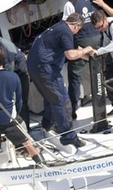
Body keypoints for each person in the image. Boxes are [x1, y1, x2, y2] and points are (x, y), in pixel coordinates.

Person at [26, 13, 98, 152]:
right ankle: (68, 136)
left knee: (50, 98)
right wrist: (87, 49)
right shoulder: (66, 32)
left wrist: (84, 54)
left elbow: (71, 50)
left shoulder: (58, 27)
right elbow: (71, 55)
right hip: (46, 69)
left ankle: (47, 124)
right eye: (79, 29)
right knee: (62, 102)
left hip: (35, 67)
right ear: (76, 26)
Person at [0, 46, 44, 168]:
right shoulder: (14, 77)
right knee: (27, 143)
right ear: (4, 60)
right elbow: (19, 101)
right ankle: (40, 162)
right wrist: (16, 116)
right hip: (9, 120)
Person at [63, 0, 101, 118]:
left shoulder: (70, 4)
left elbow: (67, 28)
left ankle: (72, 111)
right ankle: (109, 101)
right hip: (97, 39)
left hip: (81, 43)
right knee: (99, 71)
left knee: (74, 76)